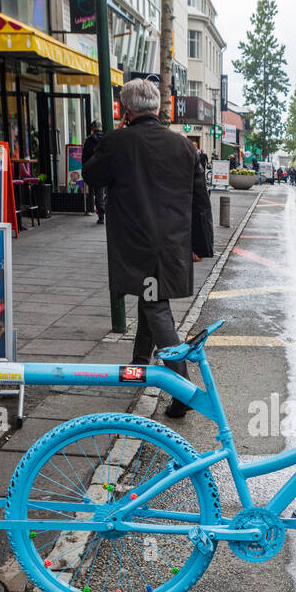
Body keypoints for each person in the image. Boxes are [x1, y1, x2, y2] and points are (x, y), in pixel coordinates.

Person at [82, 79, 214, 418]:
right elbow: (200, 200)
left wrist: (96, 143)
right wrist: (201, 245)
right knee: (150, 299)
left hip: (139, 246)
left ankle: (183, 388)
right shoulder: (183, 147)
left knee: (155, 307)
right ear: (157, 107)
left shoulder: (117, 143)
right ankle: (139, 366)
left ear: (127, 111)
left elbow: (91, 177)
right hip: (171, 246)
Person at [81, 121, 107, 224]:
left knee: (98, 192)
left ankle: (101, 215)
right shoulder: (106, 137)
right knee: (108, 191)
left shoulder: (89, 140)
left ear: (92, 128)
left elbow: (85, 157)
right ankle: (107, 211)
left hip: (95, 169)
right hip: (106, 168)